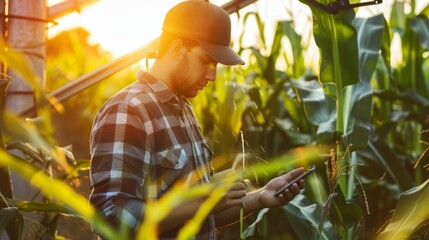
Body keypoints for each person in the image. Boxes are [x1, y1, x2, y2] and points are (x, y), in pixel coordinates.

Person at [89, 0, 306, 239]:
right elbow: (109, 215)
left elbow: (201, 215)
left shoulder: (183, 110)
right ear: (177, 48)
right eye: (206, 60)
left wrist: (260, 197)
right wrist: (205, 200)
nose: (213, 75)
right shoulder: (128, 111)